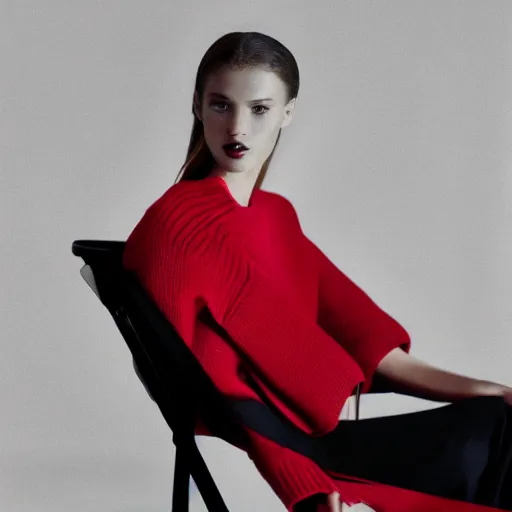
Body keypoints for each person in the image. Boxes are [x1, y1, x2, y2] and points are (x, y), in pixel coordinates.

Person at [122, 31, 512, 512]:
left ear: (288, 113)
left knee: (499, 420)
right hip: (315, 460)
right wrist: (304, 487)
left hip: (339, 445)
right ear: (198, 107)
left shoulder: (276, 217)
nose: (238, 127)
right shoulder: (179, 225)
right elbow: (204, 389)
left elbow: (364, 336)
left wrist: (490, 389)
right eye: (221, 105)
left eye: (260, 109)